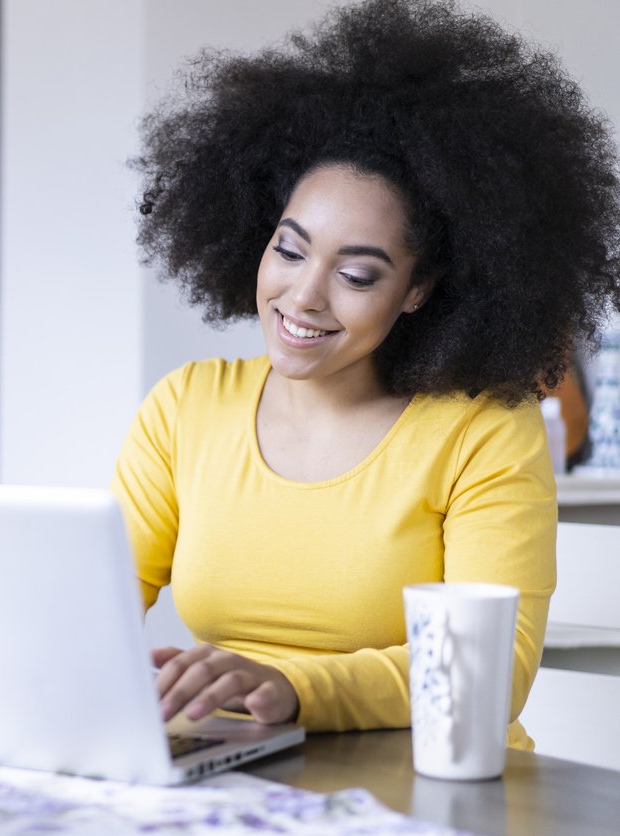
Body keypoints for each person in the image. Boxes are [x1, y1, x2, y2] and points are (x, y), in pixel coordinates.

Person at [113, 0, 620, 749]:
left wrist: (293, 689)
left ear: (418, 289)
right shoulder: (186, 408)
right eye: (289, 251)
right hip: (232, 773)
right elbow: (89, 610)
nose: (303, 296)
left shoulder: (481, 429)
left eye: (356, 273)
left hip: (436, 789)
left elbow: (491, 671)